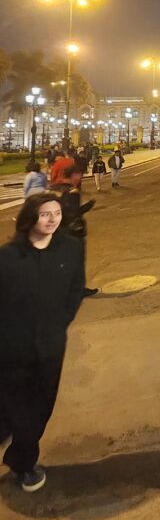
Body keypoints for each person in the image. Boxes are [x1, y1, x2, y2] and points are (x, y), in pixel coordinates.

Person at [0, 193, 85, 492]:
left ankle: (19, 452)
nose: (52, 219)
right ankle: (24, 463)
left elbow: (76, 288)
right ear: (29, 218)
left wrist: (61, 320)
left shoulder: (71, 250)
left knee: (40, 408)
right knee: (16, 408)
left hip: (50, 346)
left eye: (56, 213)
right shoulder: (8, 257)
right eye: (44, 214)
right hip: (12, 348)